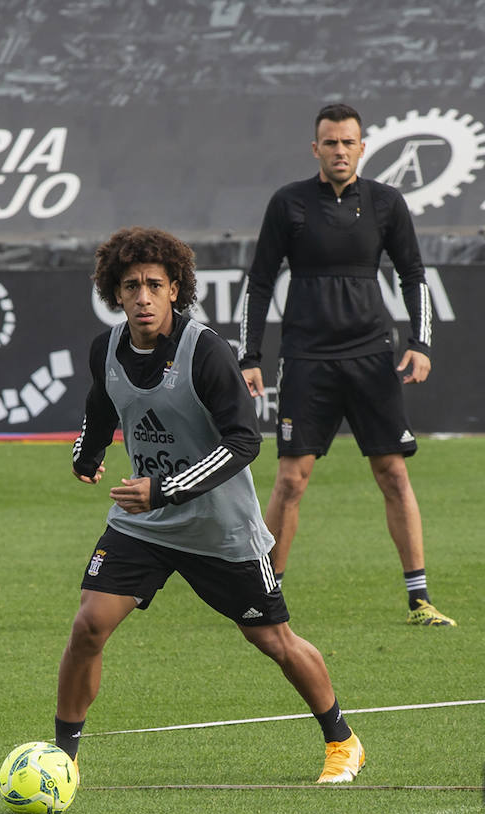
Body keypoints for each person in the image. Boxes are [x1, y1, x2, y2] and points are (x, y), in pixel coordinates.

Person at [60, 226, 364, 783]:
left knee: (272, 638)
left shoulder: (207, 351)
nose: (143, 296)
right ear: (115, 293)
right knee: (89, 626)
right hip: (144, 525)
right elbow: (101, 413)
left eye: (155, 284)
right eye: (131, 286)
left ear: (176, 289)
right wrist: (87, 455)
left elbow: (244, 442)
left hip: (220, 528)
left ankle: (342, 738)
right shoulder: (105, 348)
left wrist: (165, 489)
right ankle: (63, 758)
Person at [240, 102, 453, 627]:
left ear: (363, 146)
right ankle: (267, 597)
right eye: (330, 143)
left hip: (371, 357)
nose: (339, 150)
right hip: (307, 359)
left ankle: (419, 598)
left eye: (348, 142)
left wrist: (420, 343)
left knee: (393, 474)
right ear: (316, 148)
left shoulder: (386, 203)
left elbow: (413, 275)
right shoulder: (288, 203)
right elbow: (260, 281)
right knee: (291, 479)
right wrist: (250, 356)